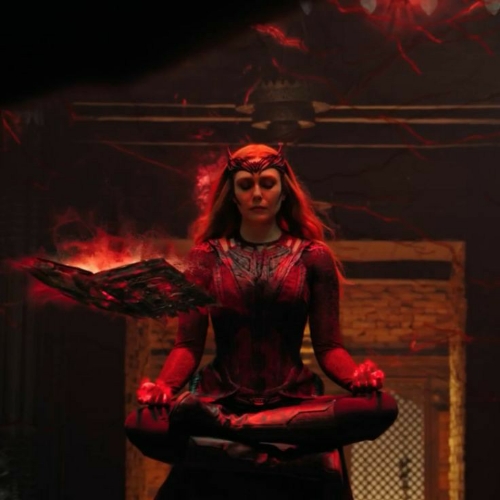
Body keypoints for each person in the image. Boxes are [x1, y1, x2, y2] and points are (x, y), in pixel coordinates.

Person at [124, 143, 398, 476]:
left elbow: (328, 347)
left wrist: (356, 379)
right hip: (221, 397)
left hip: (290, 401)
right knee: (140, 423)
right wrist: (165, 387)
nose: (257, 194)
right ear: (233, 196)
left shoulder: (314, 257)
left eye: (267, 184)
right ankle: (258, 440)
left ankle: (233, 433)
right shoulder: (205, 257)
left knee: (382, 407)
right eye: (245, 185)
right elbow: (187, 345)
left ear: (284, 192)